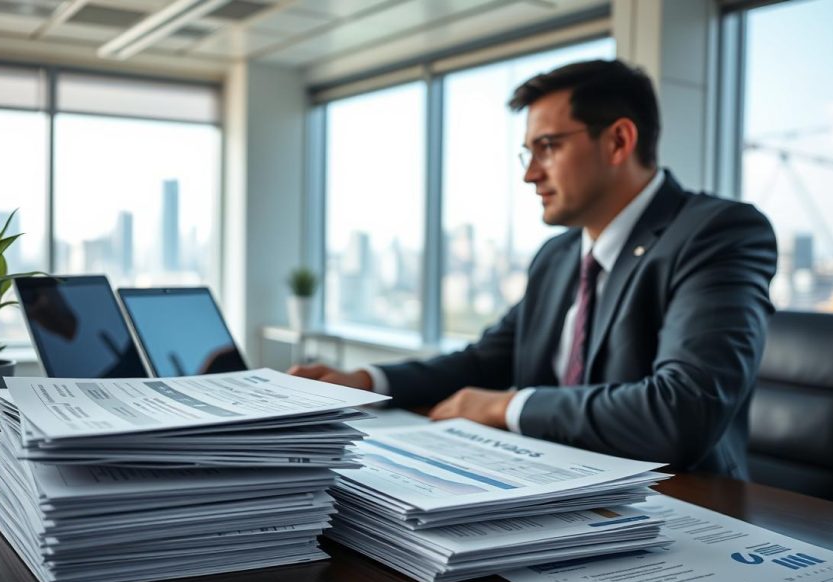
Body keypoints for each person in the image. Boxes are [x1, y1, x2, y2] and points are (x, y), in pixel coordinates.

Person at [290, 59, 777, 479]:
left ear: (618, 141)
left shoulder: (717, 233)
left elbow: (682, 410)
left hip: (679, 502)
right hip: (547, 481)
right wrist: (366, 382)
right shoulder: (559, 256)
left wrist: (506, 405)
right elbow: (485, 361)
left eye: (548, 147)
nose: (529, 174)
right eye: (529, 152)